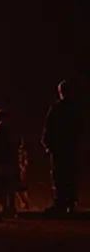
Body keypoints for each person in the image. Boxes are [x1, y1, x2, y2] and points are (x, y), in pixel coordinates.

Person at [42, 79, 81, 213]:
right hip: (70, 147)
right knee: (70, 174)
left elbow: (49, 127)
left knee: (59, 175)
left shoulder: (57, 108)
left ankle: (60, 202)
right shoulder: (75, 109)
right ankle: (70, 202)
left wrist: (47, 143)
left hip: (58, 147)